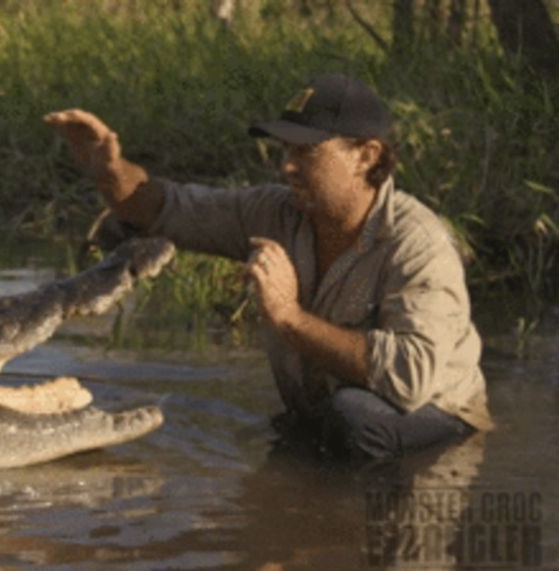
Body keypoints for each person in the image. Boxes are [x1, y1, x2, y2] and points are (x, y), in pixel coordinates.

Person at [44, 73, 492, 461]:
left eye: (306, 152)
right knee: (301, 437)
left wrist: (290, 317)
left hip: (436, 418)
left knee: (353, 422)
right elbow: (165, 208)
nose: (288, 167)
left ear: (367, 156)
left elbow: (410, 379)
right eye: (284, 151)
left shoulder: (418, 243)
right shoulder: (274, 212)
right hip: (335, 411)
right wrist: (109, 170)